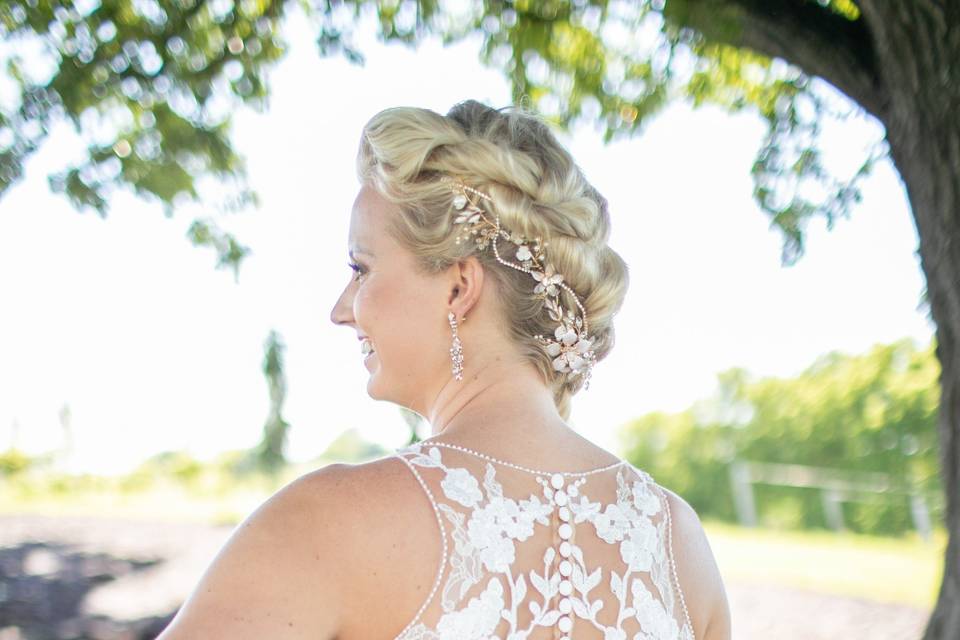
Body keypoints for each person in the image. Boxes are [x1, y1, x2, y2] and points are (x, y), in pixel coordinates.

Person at [156, 100, 731, 640]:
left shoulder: (328, 523)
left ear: (459, 286)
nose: (340, 310)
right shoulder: (679, 544)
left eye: (361, 268)